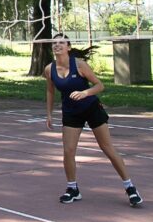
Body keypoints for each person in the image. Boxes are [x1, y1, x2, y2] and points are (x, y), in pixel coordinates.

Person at [44, 33, 143, 207]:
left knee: (107, 147)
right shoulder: (49, 69)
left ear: (68, 47)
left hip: (91, 108)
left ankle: (130, 187)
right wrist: (49, 113)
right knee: (68, 151)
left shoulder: (80, 65)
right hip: (71, 112)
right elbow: (50, 91)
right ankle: (72, 188)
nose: (57, 45)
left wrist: (85, 93)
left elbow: (99, 85)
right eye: (54, 43)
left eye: (61, 42)